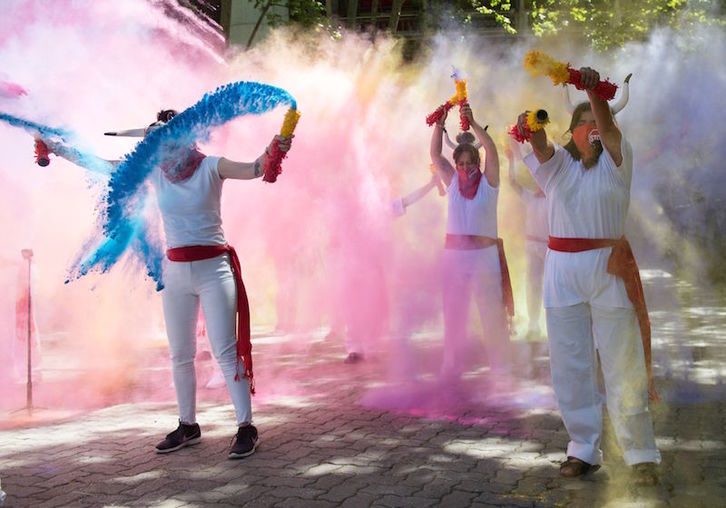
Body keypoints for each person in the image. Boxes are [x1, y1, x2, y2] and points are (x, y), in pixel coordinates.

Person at [43, 109, 290, 459]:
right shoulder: (155, 172)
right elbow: (103, 165)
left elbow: (254, 169)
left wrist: (273, 149)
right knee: (180, 354)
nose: (158, 147)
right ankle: (187, 425)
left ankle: (246, 427)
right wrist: (58, 148)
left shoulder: (210, 166)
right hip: (176, 273)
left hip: (213, 267)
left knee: (223, 349)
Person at [517, 66, 660, 484]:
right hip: (561, 273)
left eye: (594, 123)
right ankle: (582, 449)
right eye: (581, 125)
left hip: (609, 270)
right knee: (570, 365)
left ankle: (640, 454)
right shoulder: (559, 166)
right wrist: (532, 123)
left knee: (623, 364)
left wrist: (594, 90)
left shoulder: (618, 158)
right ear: (573, 132)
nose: (590, 130)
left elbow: (609, 127)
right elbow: (541, 145)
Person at [430, 105, 513, 382]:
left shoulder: (490, 183)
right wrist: (439, 124)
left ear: (477, 163)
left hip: (484, 256)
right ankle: (451, 367)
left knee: (491, 314)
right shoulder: (452, 182)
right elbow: (434, 155)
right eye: (461, 163)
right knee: (453, 313)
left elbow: (491, 150)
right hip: (454, 257)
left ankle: (500, 370)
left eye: (470, 163)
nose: (465, 168)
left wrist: (473, 122)